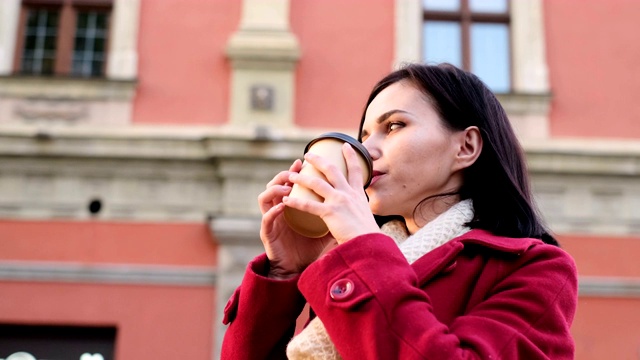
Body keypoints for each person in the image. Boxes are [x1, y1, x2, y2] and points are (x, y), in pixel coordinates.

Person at [220, 63, 578, 359]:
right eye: (363, 135)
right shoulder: (351, 263)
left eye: (393, 126)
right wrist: (284, 272)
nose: (365, 151)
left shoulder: (537, 268)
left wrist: (361, 245)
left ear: (466, 147)